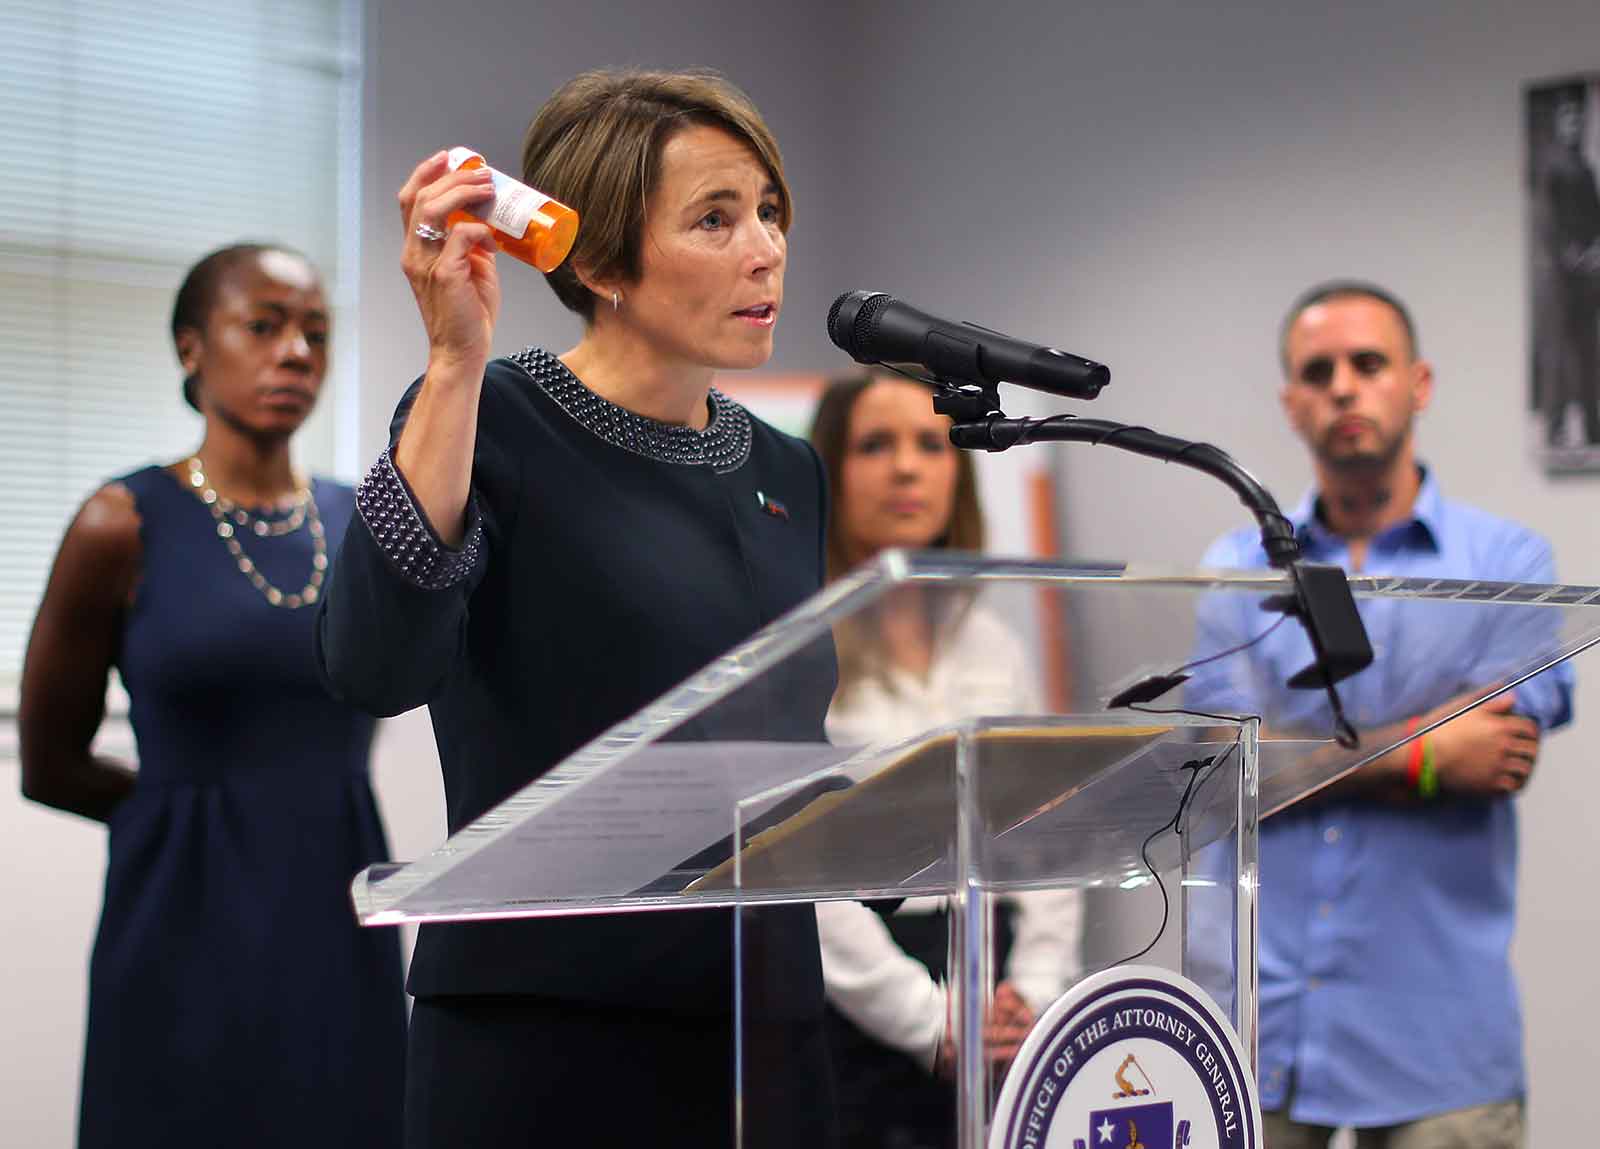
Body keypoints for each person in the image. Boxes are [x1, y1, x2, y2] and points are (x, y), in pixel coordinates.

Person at [315, 70, 835, 1147]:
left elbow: (783, 745)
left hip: (762, 1029)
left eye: (768, 211)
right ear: (596, 263)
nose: (765, 250)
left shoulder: (788, 469)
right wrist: (453, 360)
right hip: (546, 1034)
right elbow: (374, 663)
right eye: (715, 218)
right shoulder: (492, 414)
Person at [18, 243, 406, 1149]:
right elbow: (50, 764)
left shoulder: (359, 518)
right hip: (183, 911)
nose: (295, 352)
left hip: (336, 902)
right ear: (192, 348)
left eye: (315, 332)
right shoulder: (121, 522)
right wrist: (184, 808)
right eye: (263, 326)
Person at [1186, 282, 1574, 1148]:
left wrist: (1293, 758)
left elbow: (1498, 754)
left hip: (1437, 1047)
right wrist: (1421, 755)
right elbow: (1221, 775)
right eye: (1317, 371)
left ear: (1419, 383)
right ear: (1291, 402)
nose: (1343, 387)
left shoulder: (1507, 562)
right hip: (1255, 1032)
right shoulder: (1236, 566)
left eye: (1368, 363)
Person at [807, 375, 1083, 1149]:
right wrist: (929, 1020)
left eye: (931, 445)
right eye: (875, 445)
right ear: (829, 467)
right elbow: (799, 874)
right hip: (858, 1011)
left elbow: (1048, 836)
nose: (907, 467)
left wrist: (1033, 995)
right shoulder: (799, 647)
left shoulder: (994, 644)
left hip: (999, 990)